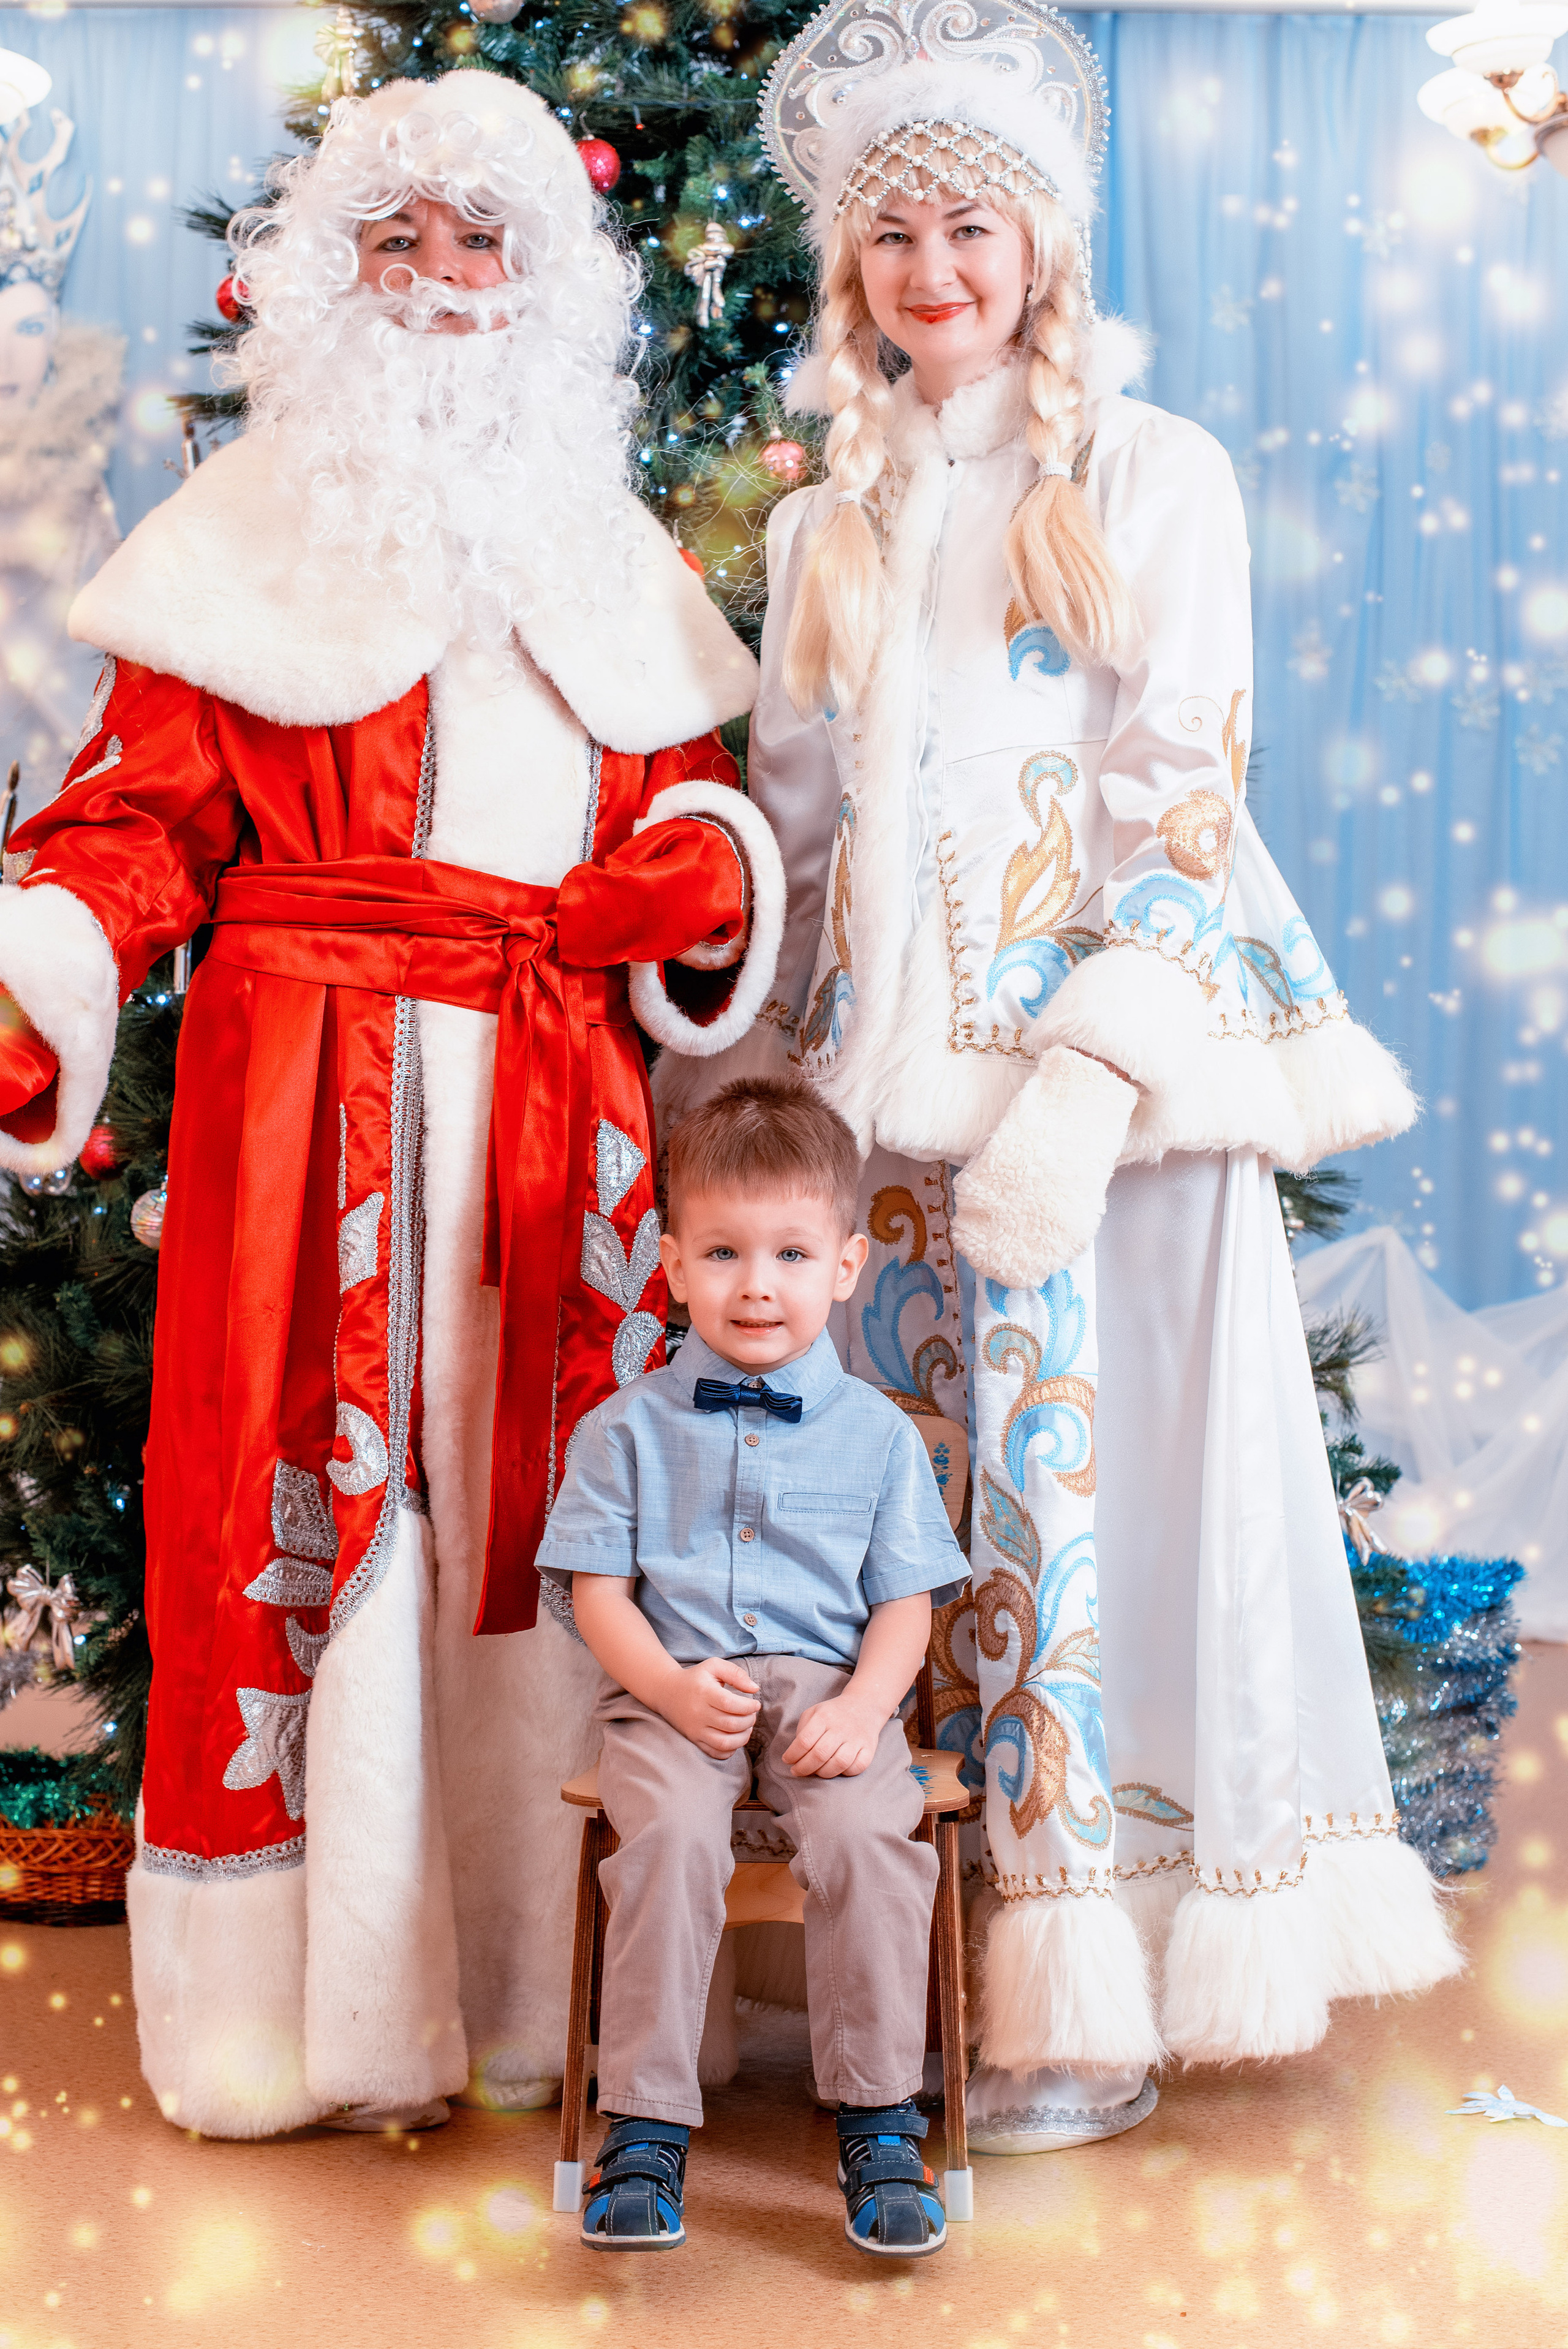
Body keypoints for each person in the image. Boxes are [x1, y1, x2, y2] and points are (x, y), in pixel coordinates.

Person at [652, 0, 1463, 2155]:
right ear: (855, 272)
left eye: (972, 229)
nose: (935, 270)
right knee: (897, 1545)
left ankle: (1080, 2000)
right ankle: (893, 1972)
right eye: (895, 234)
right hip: (880, 1157)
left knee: (1072, 1533)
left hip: (1084, 1126)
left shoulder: (1144, 473)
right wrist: (751, 1112)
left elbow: (1182, 798)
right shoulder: (835, 519)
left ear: (1041, 253)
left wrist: (1078, 1094)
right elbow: (803, 852)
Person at [0, 70, 783, 2139]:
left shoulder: (609, 559)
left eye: (484, 240)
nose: (442, 283)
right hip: (301, 1094)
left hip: (561, 1116)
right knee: (296, 1533)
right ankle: (299, 2029)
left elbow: (684, 819)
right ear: (330, 285)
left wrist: (697, 885)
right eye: (396, 239)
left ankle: (540, 2007)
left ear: (550, 282)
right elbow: (129, 822)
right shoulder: (236, 550)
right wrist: (48, 964)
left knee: (556, 1530)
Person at [537, 1075, 967, 2254]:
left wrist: (871, 1705)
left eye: (788, 1251)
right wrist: (671, 1688)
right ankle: (644, 2122)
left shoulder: (878, 1434)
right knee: (668, 1837)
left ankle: (881, 2117)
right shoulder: (623, 1428)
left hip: (832, 1693)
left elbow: (905, 1607)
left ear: (844, 1266)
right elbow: (597, 1598)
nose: (756, 1284)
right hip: (674, 1693)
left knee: (869, 1837)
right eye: (724, 1252)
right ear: (673, 1264)